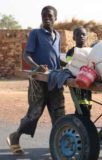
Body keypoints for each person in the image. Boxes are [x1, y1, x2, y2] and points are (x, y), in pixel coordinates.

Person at [7, 5, 65, 155]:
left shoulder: (57, 35)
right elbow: (26, 55)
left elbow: (57, 59)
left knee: (59, 114)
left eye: (50, 16)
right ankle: (15, 137)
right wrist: (36, 67)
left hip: (55, 81)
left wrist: (70, 65)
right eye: (44, 15)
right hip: (38, 81)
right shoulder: (35, 34)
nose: (46, 18)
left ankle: (59, 147)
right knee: (34, 113)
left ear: (55, 18)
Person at [66, 26, 92, 117]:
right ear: (73, 37)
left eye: (83, 34)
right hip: (77, 80)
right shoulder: (71, 52)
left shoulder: (90, 51)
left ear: (87, 37)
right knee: (80, 104)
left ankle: (84, 119)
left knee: (88, 104)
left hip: (88, 80)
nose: (81, 36)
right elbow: (68, 63)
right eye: (78, 34)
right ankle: (80, 120)